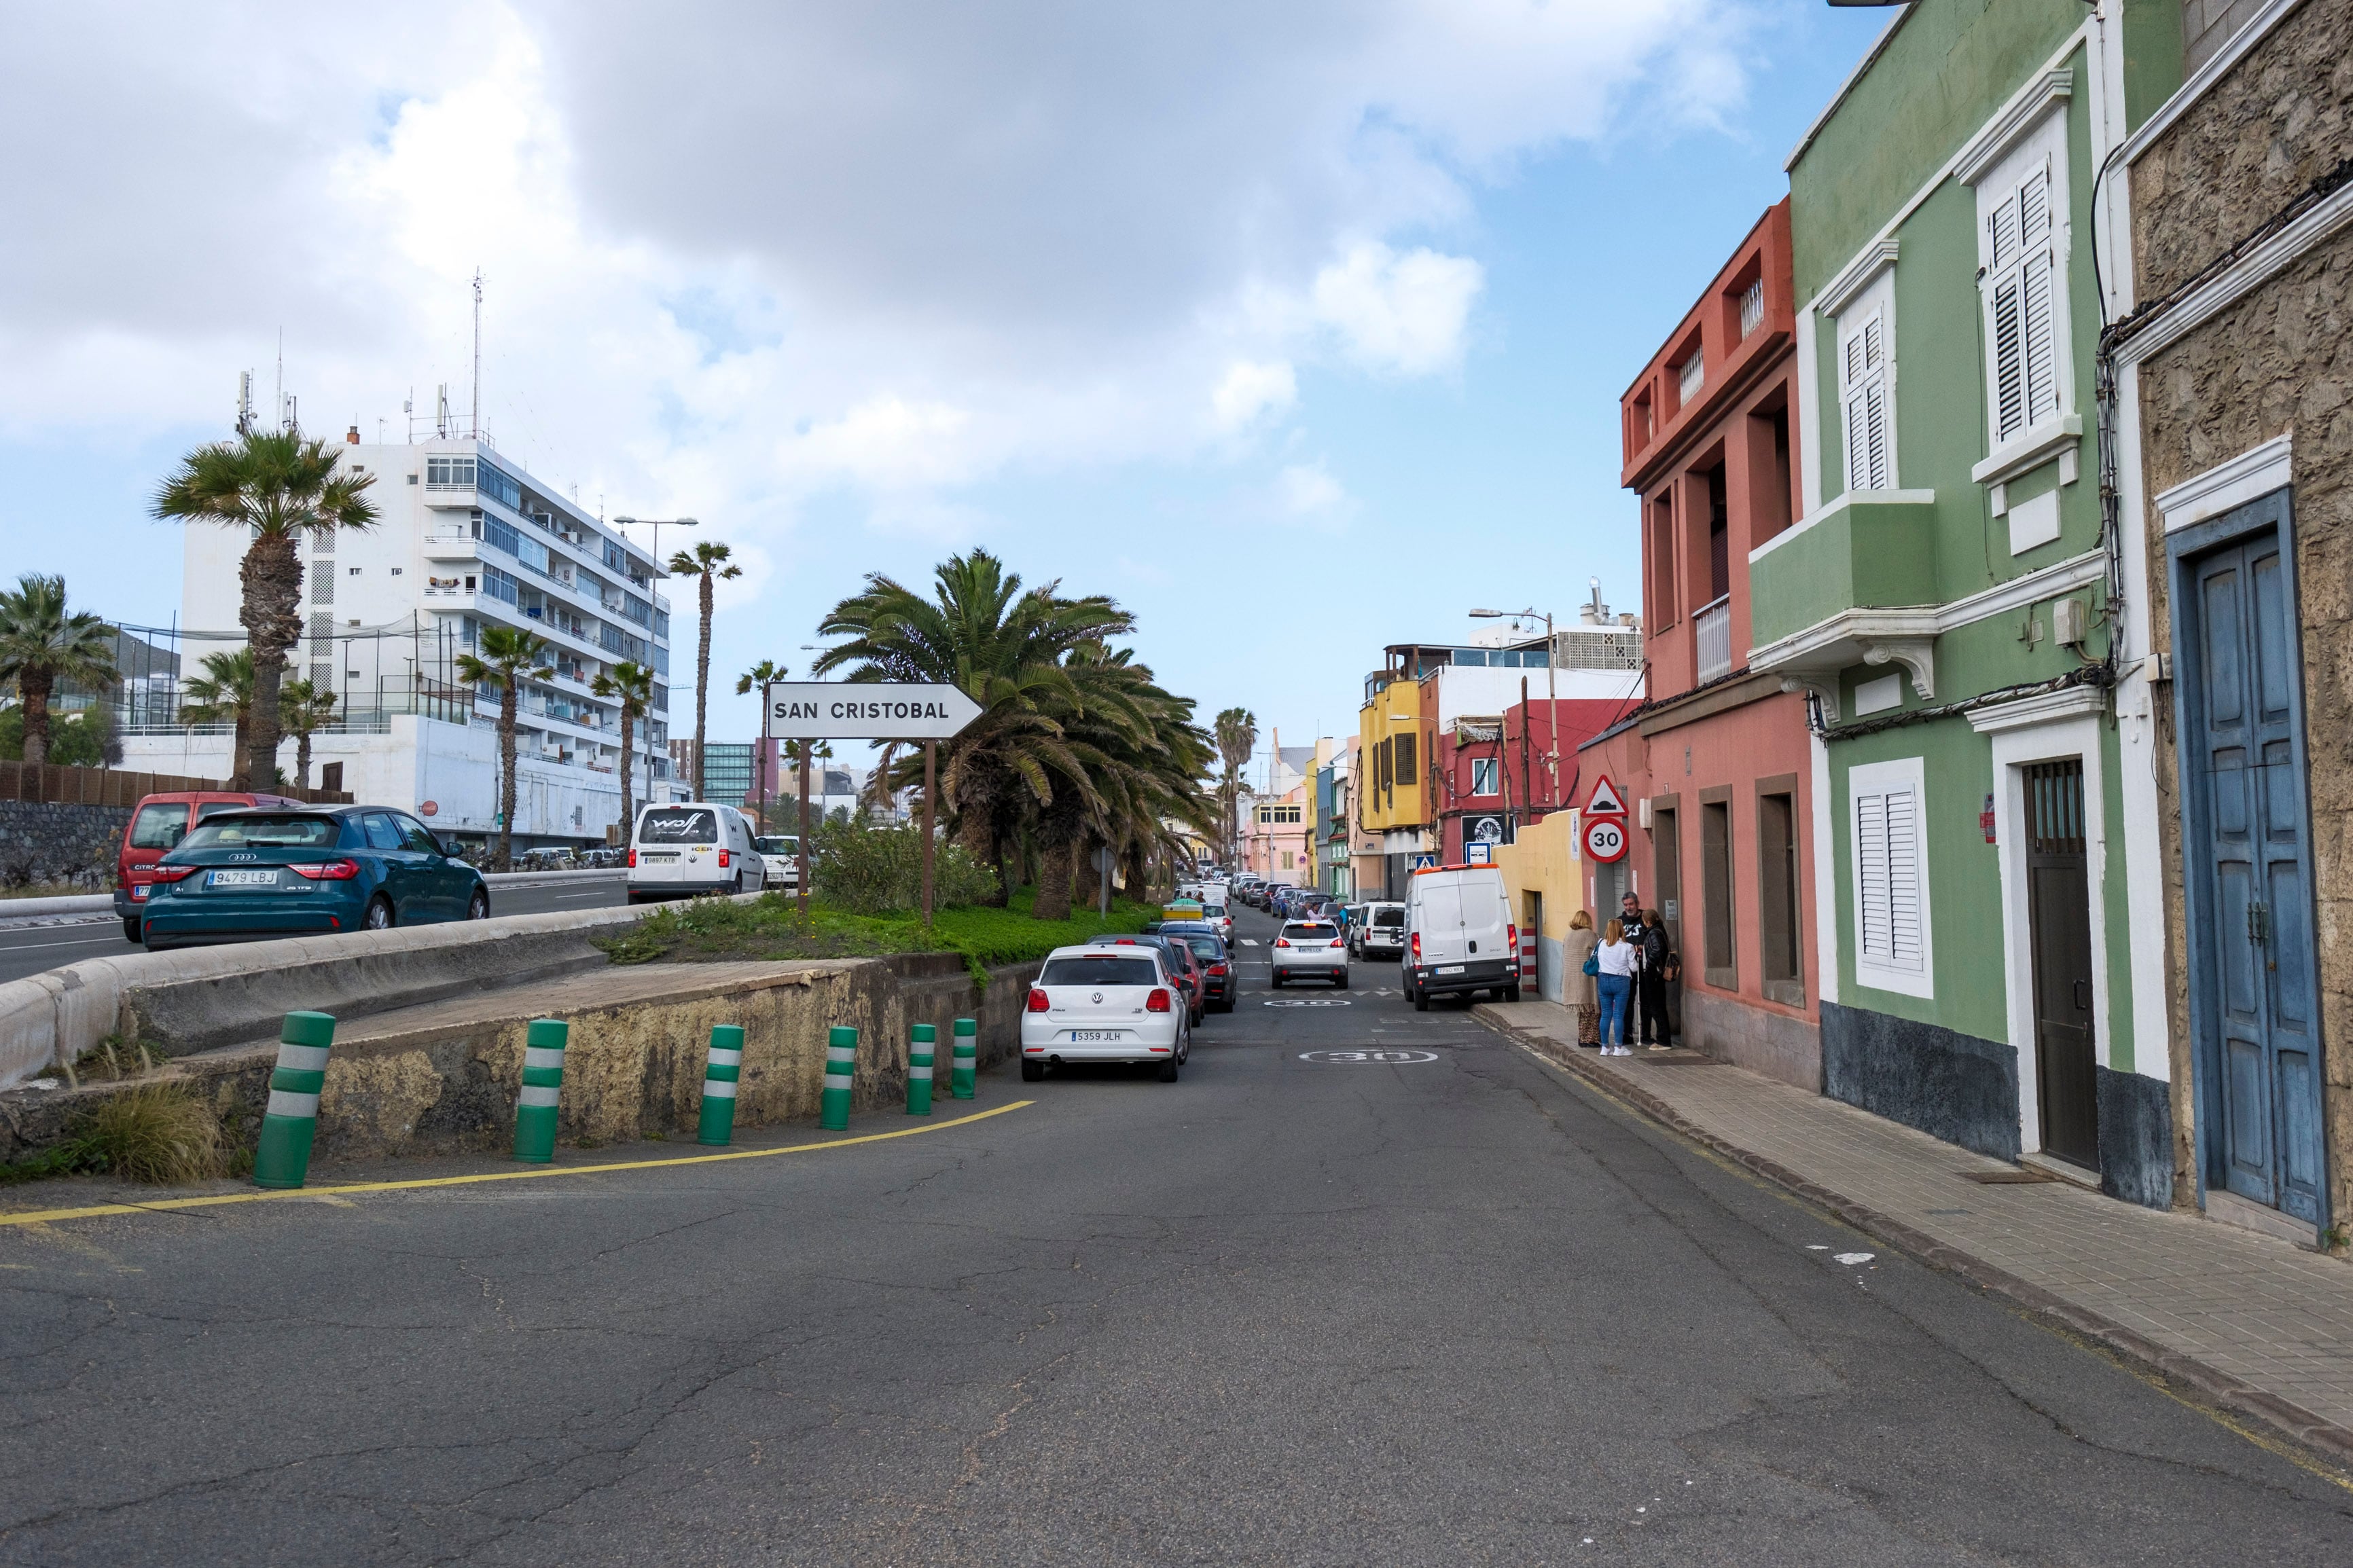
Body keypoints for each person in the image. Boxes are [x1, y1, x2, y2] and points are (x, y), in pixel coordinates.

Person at [1594, 917, 1638, 1055]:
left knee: (1606, 1014)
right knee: (1619, 1014)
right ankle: (1619, 1047)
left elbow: (1594, 958)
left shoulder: (1601, 943)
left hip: (1603, 979)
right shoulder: (1627, 946)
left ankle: (1605, 1047)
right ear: (1621, 930)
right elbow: (1634, 967)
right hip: (1621, 980)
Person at [1637, 908, 1674, 1048]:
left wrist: (1649, 966)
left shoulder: (1653, 933)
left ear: (1647, 922)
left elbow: (1657, 950)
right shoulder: (1659, 930)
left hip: (1654, 975)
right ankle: (1663, 1039)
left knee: (1656, 1007)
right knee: (1658, 1007)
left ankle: (1663, 1040)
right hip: (1657, 975)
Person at [1564, 909, 1599, 1045]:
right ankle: (1590, 1039)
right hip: (1587, 977)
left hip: (1571, 977)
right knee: (1592, 1008)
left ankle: (1582, 1037)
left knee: (1582, 1011)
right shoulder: (1589, 935)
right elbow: (1599, 949)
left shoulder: (1568, 935)